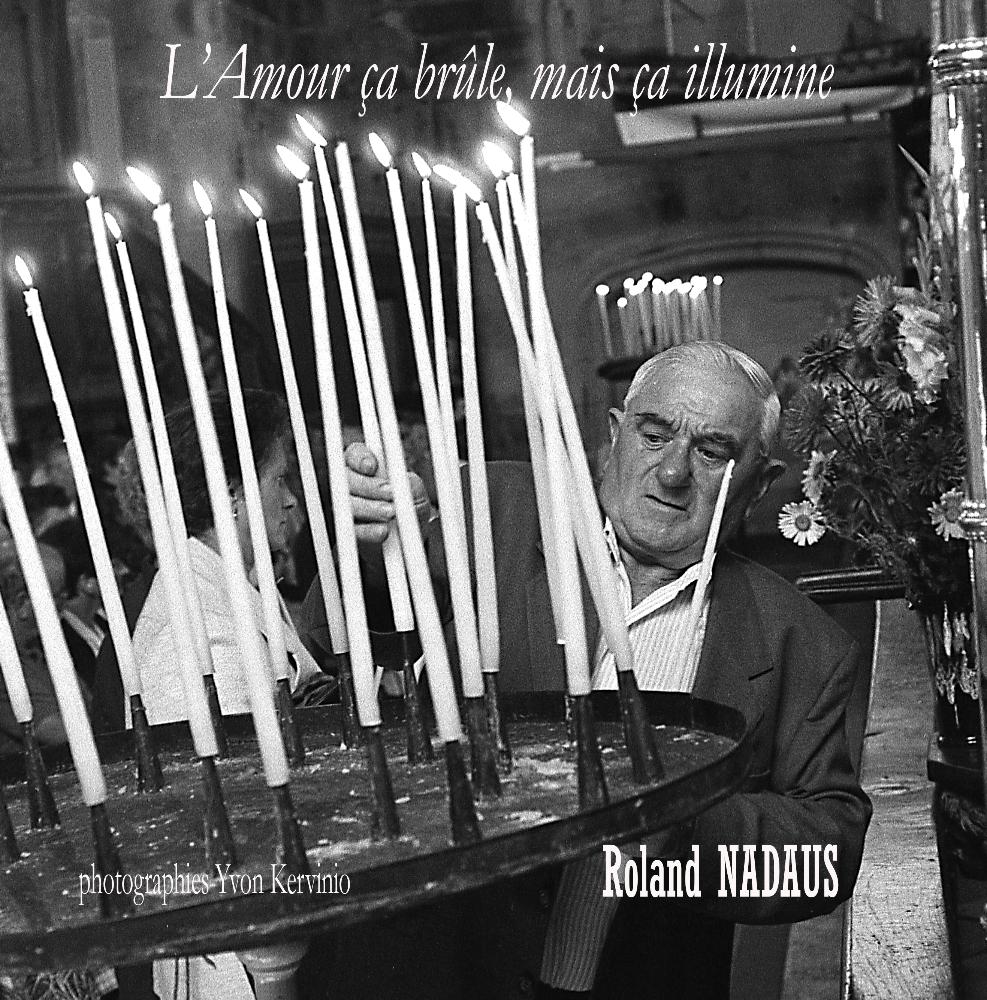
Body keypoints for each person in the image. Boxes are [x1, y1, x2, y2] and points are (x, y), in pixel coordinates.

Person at [324, 341, 871, 999]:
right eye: (654, 435)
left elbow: (828, 856)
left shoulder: (798, 641)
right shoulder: (492, 512)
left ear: (759, 483)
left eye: (710, 452)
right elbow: (346, 650)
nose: (672, 471)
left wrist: (687, 827)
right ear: (615, 434)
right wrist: (372, 552)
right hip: (442, 973)